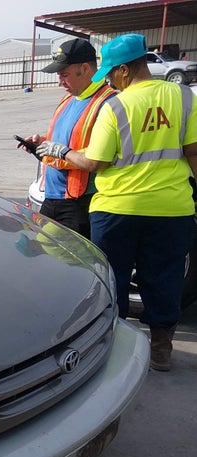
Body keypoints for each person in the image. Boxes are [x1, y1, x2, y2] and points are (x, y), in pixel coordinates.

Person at [37, 33, 197, 371]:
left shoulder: (115, 106)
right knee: (165, 278)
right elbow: (194, 152)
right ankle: (161, 348)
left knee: (113, 280)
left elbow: (95, 161)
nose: (108, 79)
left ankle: (117, 344)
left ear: (124, 69)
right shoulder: (184, 96)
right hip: (171, 209)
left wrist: (61, 151)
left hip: (117, 210)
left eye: (110, 73)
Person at [19, 38, 116, 238]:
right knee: (39, 248)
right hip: (53, 196)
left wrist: (59, 152)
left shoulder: (108, 103)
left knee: (70, 256)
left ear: (85, 69)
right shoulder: (68, 99)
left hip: (79, 203)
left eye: (64, 75)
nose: (60, 81)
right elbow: (68, 139)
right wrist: (41, 142)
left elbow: (98, 158)